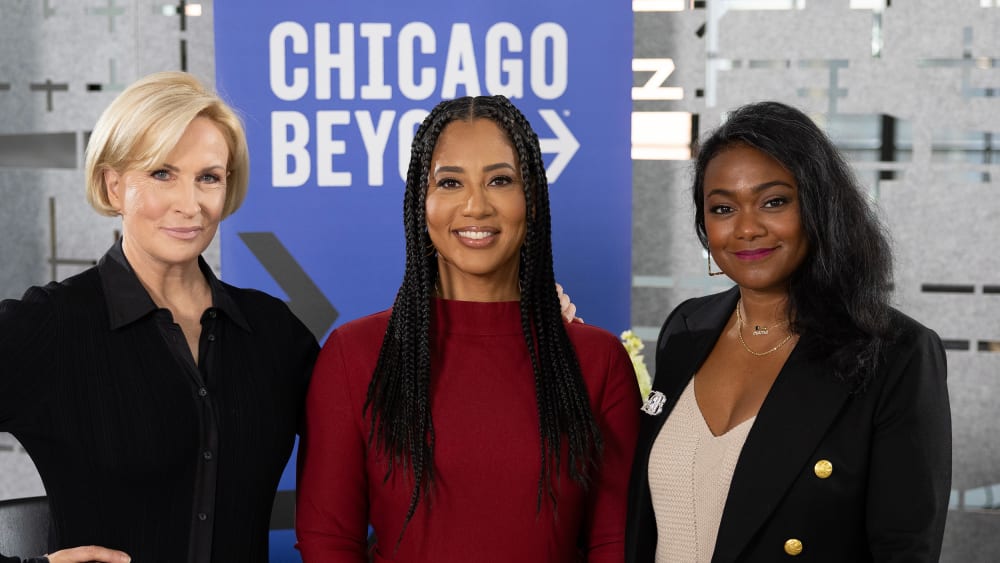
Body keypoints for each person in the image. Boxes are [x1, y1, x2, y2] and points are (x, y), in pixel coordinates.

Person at [295, 95, 640, 562]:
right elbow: (328, 540)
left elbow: (613, 543)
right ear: (422, 202)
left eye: (500, 180)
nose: (475, 206)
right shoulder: (353, 355)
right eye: (450, 182)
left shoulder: (596, 360)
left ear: (532, 198)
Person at [0, 71, 319, 562]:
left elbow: (375, 469)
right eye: (162, 173)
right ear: (113, 187)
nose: (189, 205)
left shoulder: (275, 334)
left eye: (208, 178)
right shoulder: (49, 327)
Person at [625, 101, 951, 562]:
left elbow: (904, 550)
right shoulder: (686, 330)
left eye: (774, 201)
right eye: (722, 208)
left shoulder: (897, 354)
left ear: (819, 207)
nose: (746, 228)